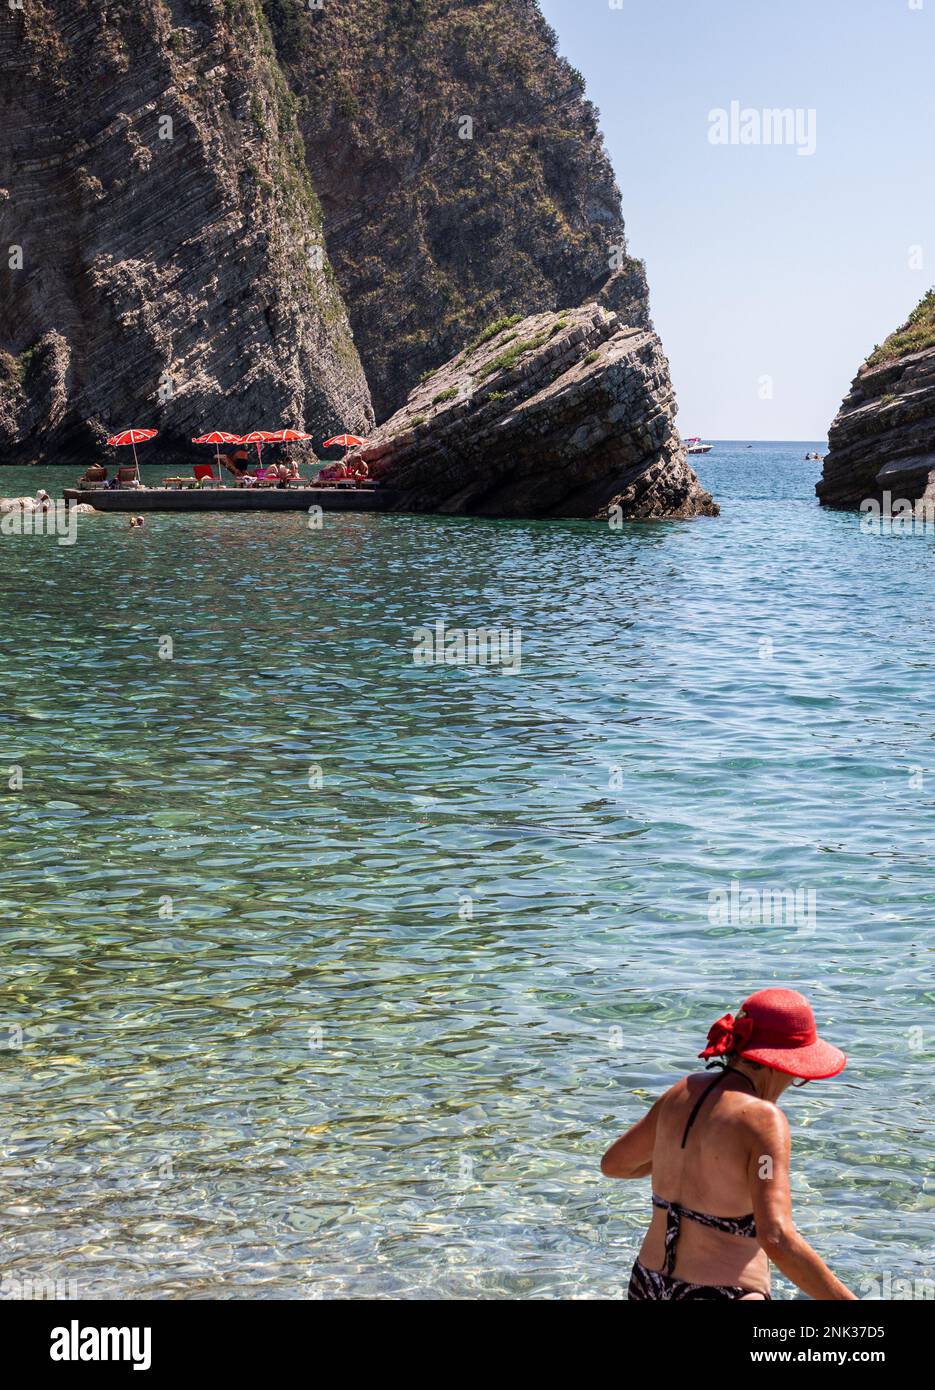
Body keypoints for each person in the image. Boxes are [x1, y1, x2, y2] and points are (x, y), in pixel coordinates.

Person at [601, 988, 855, 1301]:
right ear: (782, 1064)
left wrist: (684, 1157)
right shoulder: (764, 1121)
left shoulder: (682, 1092)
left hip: (647, 1283)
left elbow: (614, 1164)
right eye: (798, 1075)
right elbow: (776, 1237)